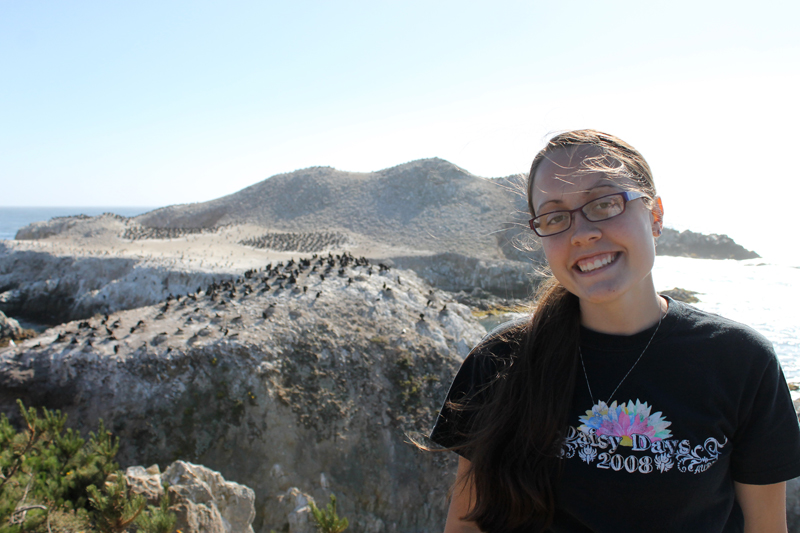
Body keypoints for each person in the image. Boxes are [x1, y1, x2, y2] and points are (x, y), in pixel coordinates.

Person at [429, 130, 800, 532]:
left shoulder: (740, 361)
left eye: (604, 204)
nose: (582, 233)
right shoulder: (501, 360)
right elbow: (467, 524)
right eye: (555, 217)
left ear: (655, 216)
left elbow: (765, 526)